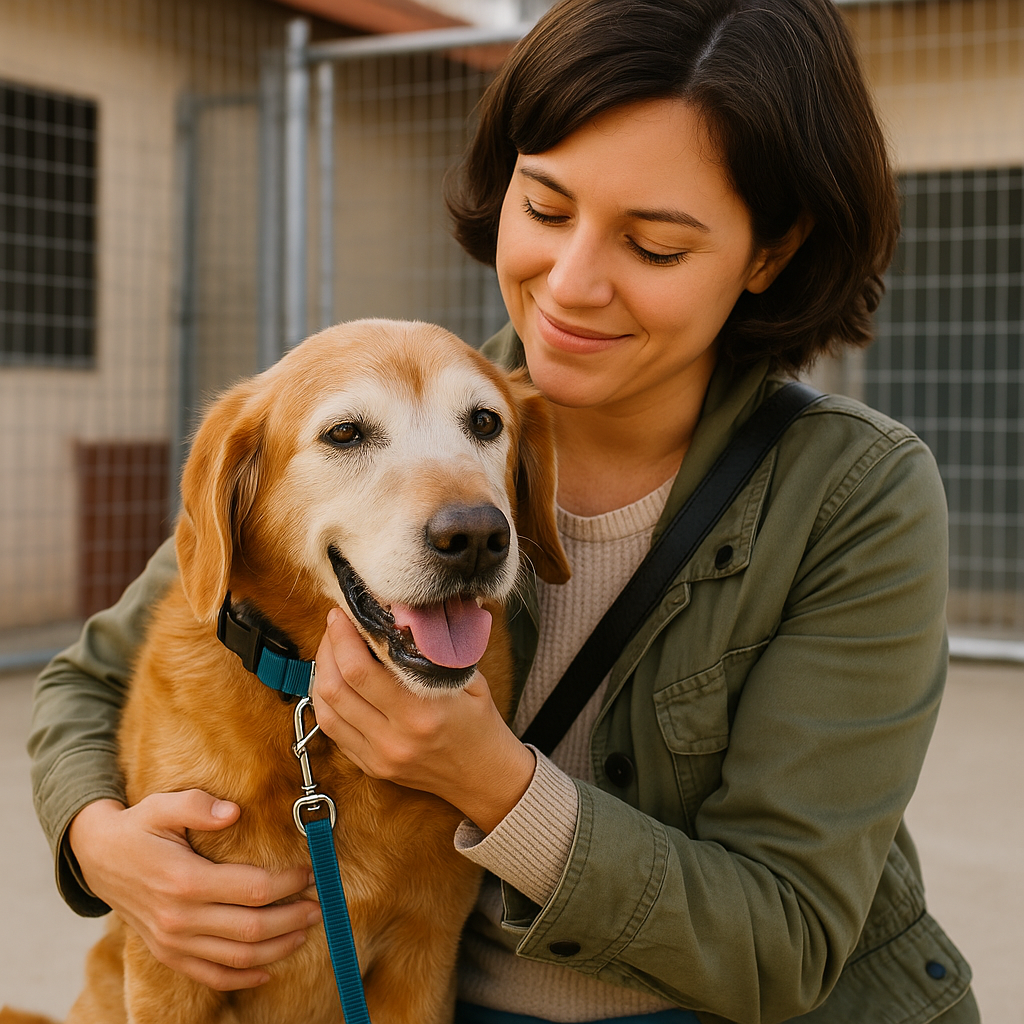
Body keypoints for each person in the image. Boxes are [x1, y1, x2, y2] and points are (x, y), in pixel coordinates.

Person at [29, 0, 979, 1021]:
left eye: (653, 245)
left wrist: (497, 786)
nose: (570, 286)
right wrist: (103, 844)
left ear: (767, 253)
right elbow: (95, 677)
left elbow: (782, 940)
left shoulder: (852, 497)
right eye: (546, 207)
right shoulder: (398, 401)